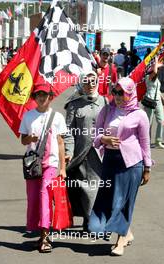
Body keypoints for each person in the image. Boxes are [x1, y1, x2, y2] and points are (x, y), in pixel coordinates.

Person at [88, 77, 152, 256]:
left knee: (123, 202)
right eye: (115, 92)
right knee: (109, 200)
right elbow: (95, 134)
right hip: (110, 161)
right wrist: (103, 139)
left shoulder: (140, 115)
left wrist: (147, 168)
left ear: (130, 93)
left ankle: (120, 241)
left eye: (121, 92)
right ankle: (127, 232)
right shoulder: (107, 110)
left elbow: (145, 143)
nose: (116, 96)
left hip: (132, 164)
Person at [19, 82, 67, 253]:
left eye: (44, 95)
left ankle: (46, 238)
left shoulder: (58, 117)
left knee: (44, 196)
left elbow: (61, 143)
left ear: (51, 97)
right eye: (38, 94)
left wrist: (63, 168)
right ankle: (40, 235)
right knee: (33, 200)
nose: (41, 98)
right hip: (32, 164)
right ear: (34, 97)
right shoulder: (28, 116)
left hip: (51, 164)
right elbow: (22, 140)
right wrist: (29, 139)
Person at [64, 71, 107, 231]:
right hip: (80, 154)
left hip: (100, 154)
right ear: (82, 83)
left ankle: (92, 220)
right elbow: (68, 130)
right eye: (87, 81)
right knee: (84, 188)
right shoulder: (74, 105)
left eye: (93, 81)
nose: (90, 85)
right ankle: (90, 220)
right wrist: (68, 151)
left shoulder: (106, 102)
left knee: (96, 187)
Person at [144, 57, 164, 148]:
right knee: (148, 122)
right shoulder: (148, 76)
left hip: (158, 102)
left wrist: (163, 100)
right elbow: (155, 72)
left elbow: (158, 91)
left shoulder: (156, 78)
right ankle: (146, 141)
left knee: (161, 120)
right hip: (149, 101)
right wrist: (156, 61)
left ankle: (158, 141)